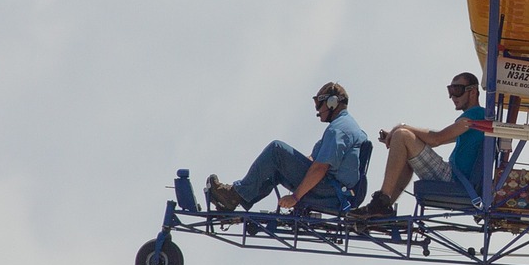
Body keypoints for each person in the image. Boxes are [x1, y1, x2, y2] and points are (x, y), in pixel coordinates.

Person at [205, 82, 369, 214]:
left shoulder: (338, 130)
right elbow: (312, 160)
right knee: (276, 169)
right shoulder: (344, 127)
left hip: (332, 193)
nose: (317, 111)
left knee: (276, 150)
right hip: (336, 191)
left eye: (319, 105)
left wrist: (296, 197)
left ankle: (234, 196)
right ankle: (236, 198)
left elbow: (319, 168)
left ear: (332, 102)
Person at [354, 71, 488, 219]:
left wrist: (401, 128)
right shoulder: (479, 120)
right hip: (458, 177)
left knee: (402, 135)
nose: (453, 97)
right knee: (404, 144)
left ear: (473, 91)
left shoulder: (473, 116)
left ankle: (381, 202)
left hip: (453, 178)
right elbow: (437, 136)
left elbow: (436, 139)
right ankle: (382, 208)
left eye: (457, 90)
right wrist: (399, 139)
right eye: (450, 91)